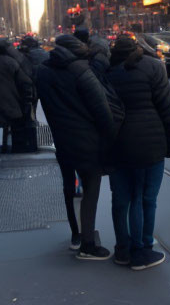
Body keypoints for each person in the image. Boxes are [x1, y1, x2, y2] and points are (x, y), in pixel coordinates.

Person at [105, 34, 170, 270]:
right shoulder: (153, 67)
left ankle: (122, 249)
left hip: (117, 145)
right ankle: (141, 250)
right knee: (144, 198)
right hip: (150, 145)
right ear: (137, 48)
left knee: (120, 200)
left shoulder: (107, 73)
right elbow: (168, 109)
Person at [38, 34, 117, 260]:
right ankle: (88, 244)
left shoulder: (43, 71)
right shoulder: (81, 71)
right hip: (87, 142)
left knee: (69, 187)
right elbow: (103, 112)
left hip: (62, 141)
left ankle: (76, 235)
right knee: (91, 188)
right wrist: (110, 142)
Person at [0, 39, 34, 154]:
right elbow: (25, 82)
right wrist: (26, 97)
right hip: (11, 100)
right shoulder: (11, 62)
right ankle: (16, 147)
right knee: (15, 124)